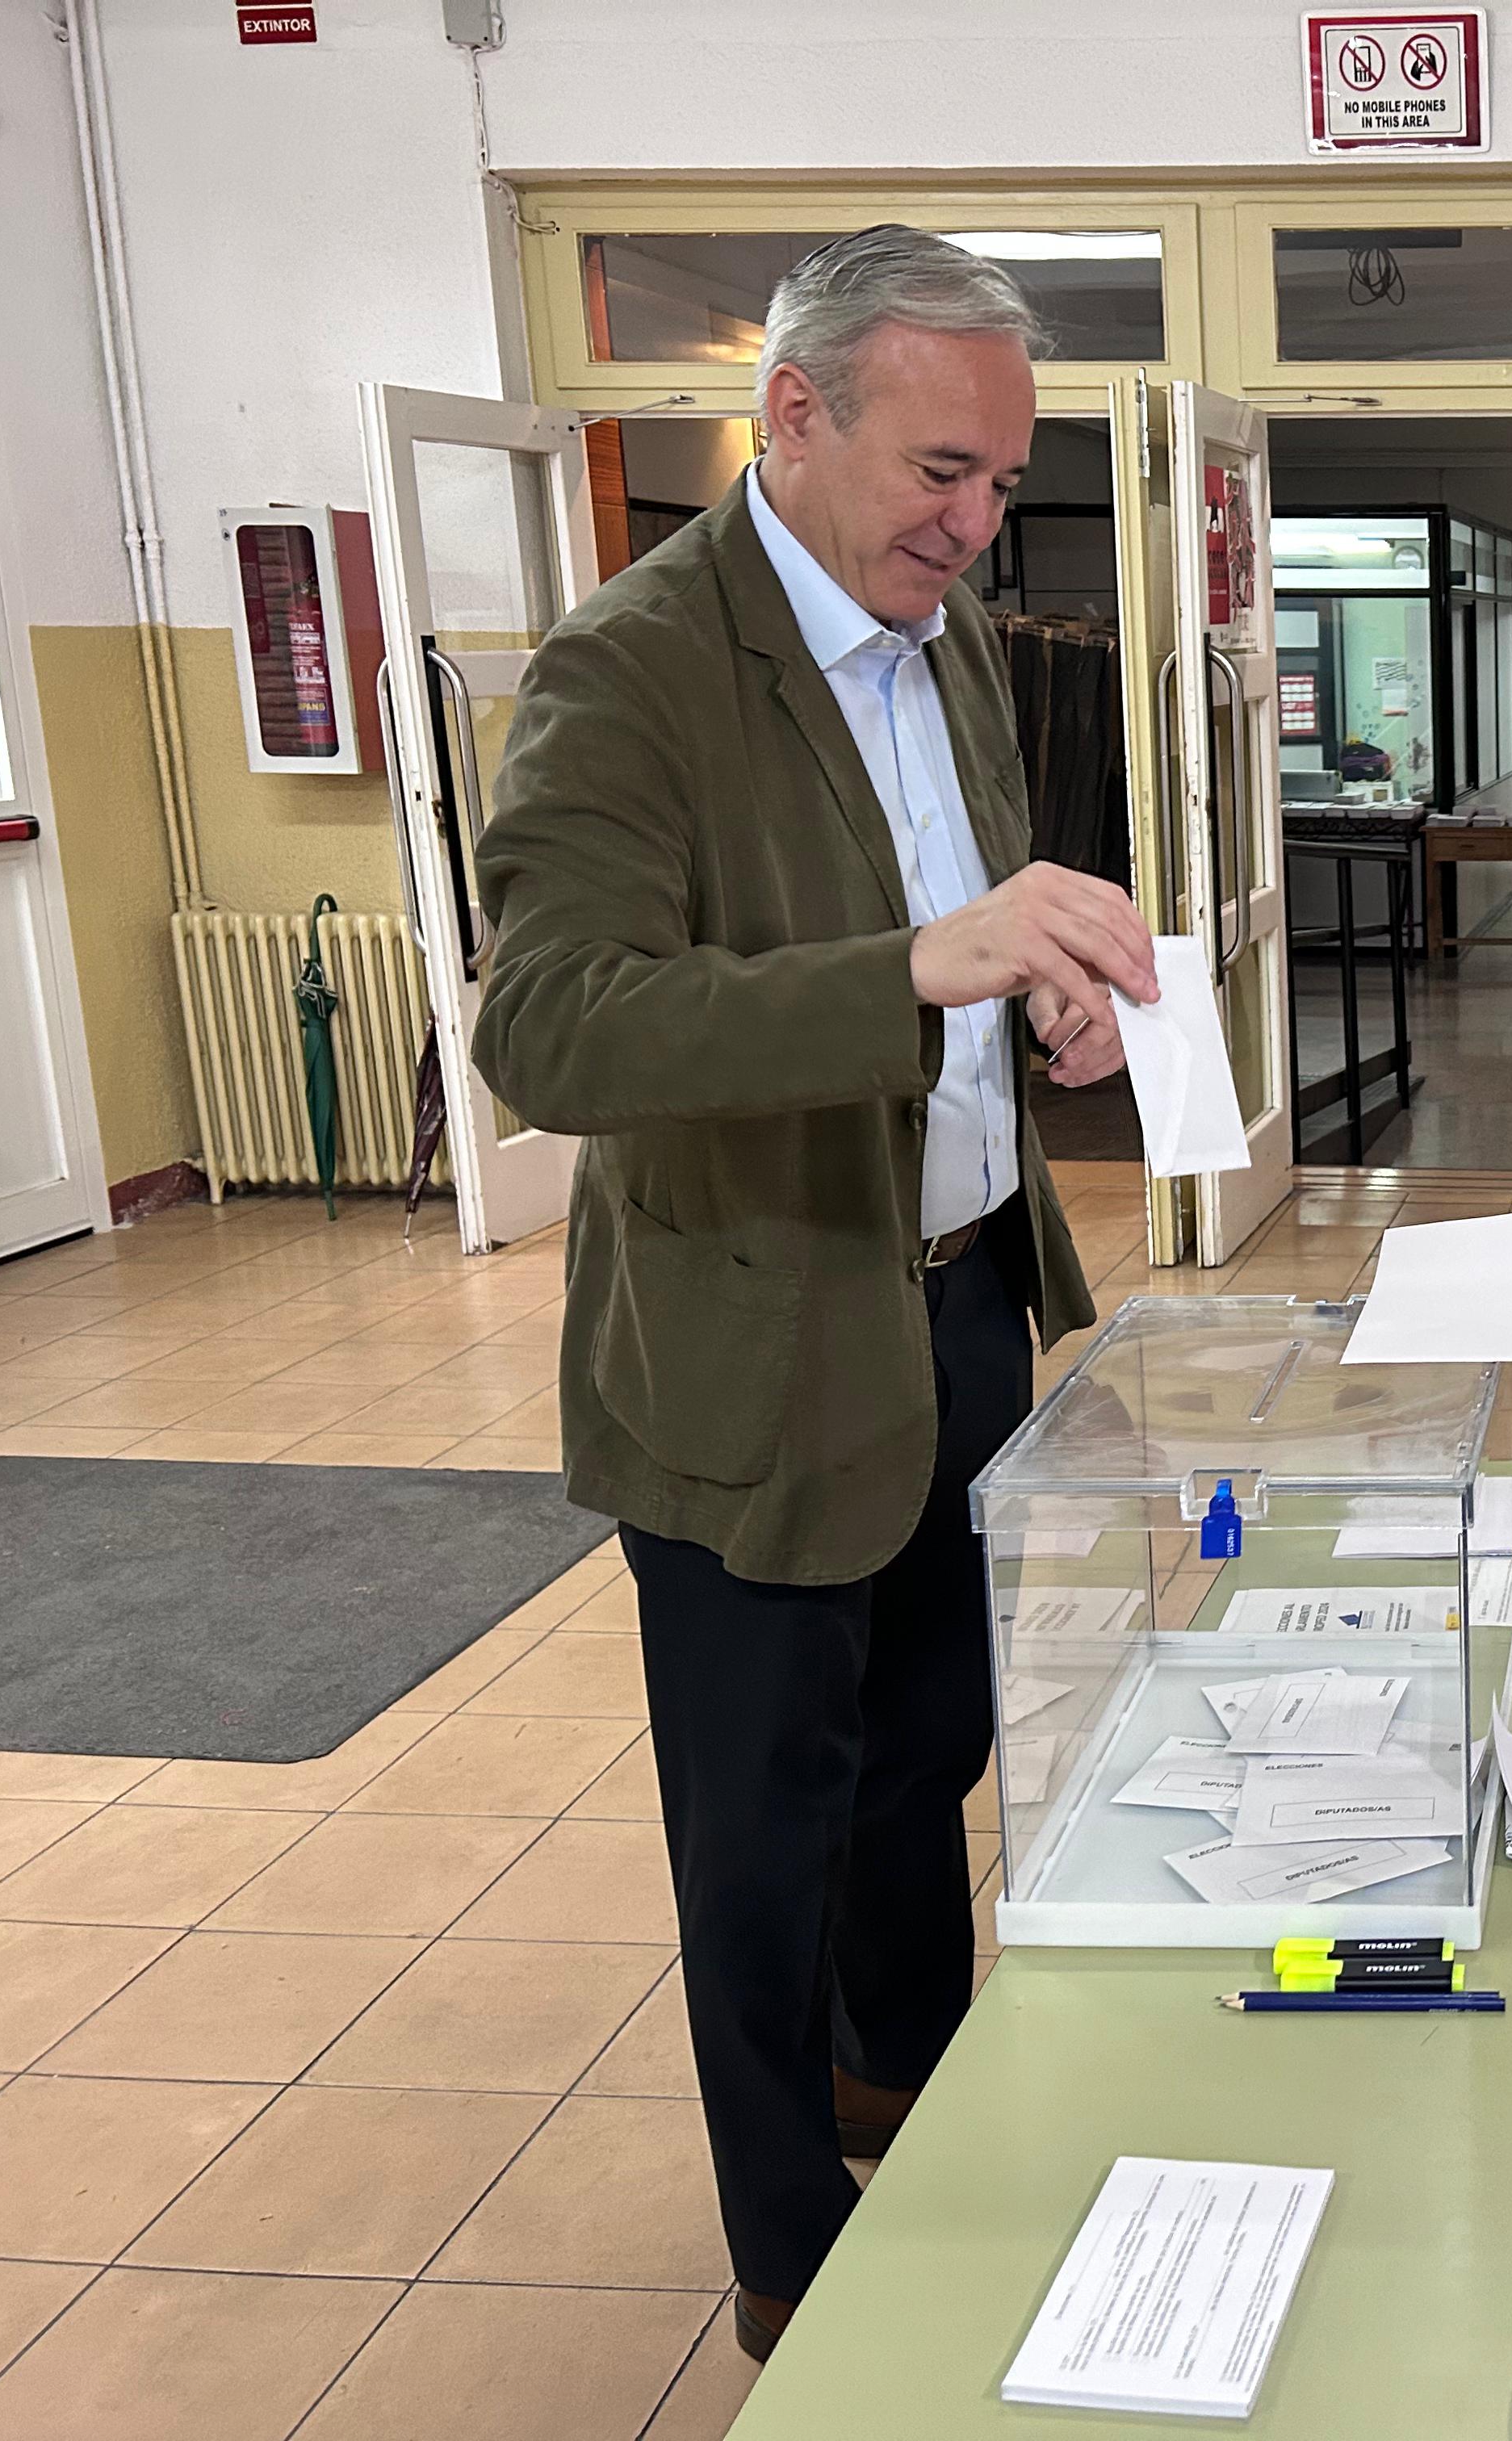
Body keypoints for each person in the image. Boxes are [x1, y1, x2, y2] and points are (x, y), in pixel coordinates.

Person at [471, 225, 1160, 2363]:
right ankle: (795, 2246)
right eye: (939, 472)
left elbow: (962, 940)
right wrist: (917, 973)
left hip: (955, 1299)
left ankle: (911, 2092)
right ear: (794, 415)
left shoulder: (943, 645)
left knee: (925, 1747)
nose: (973, 525)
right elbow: (555, 1030)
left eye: (999, 485)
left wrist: (1051, 1001)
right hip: (757, 1342)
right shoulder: (633, 668)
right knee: (761, 1834)